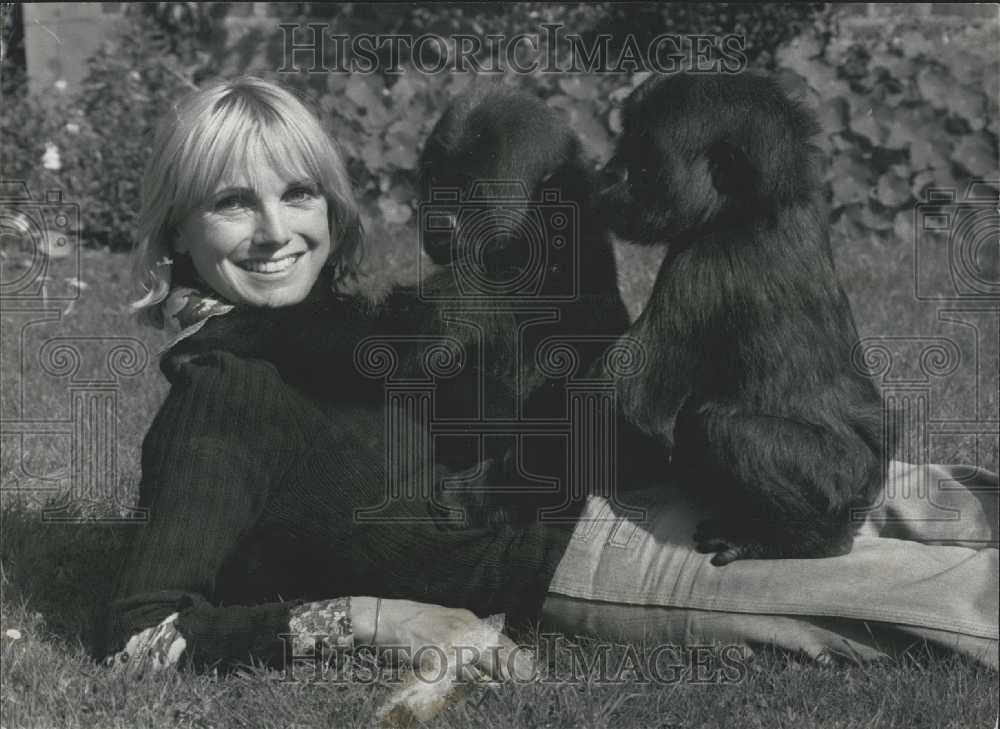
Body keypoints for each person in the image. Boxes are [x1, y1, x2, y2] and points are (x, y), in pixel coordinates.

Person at [107, 77, 998, 695]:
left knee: (943, 496)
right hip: (572, 553)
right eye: (231, 202)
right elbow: (146, 632)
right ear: (175, 232)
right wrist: (382, 619)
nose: (274, 231)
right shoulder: (220, 389)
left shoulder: (341, 318)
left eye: (296, 194)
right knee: (949, 599)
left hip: (643, 465)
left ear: (333, 206)